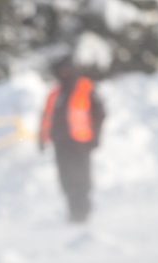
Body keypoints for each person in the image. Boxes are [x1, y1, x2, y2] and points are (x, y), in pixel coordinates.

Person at [40, 58, 106, 223]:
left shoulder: (86, 87)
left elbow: (99, 114)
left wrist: (96, 136)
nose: (62, 73)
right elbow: (46, 117)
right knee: (66, 179)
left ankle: (83, 212)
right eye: (59, 70)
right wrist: (42, 138)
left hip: (80, 143)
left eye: (65, 69)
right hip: (60, 143)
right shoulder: (55, 93)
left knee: (81, 178)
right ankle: (73, 213)